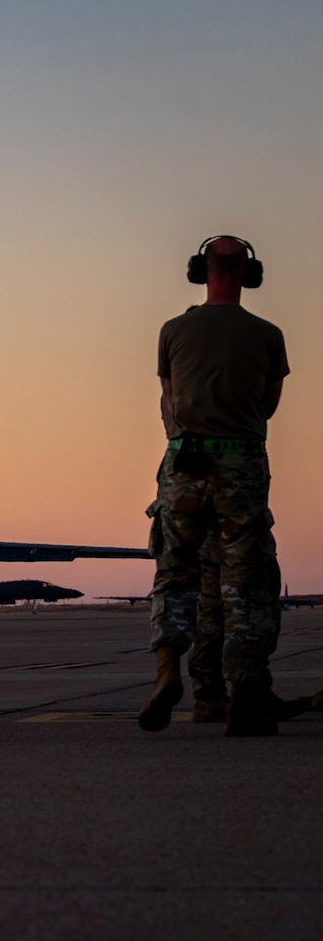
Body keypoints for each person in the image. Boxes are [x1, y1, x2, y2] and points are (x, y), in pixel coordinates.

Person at [140, 236, 300, 735]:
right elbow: (269, 405)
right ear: (249, 274)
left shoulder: (173, 331)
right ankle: (245, 697)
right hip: (242, 465)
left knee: (174, 575)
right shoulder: (268, 335)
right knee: (246, 583)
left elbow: (169, 401)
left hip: (183, 465)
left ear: (199, 272)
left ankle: (168, 674)